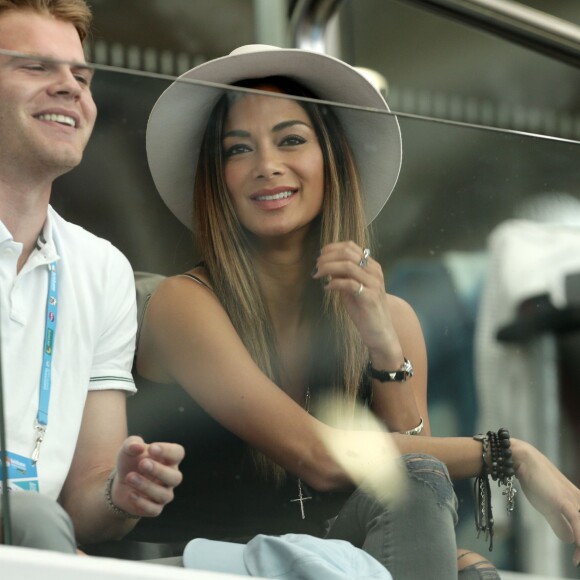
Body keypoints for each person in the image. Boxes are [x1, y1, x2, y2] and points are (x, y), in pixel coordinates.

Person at [136, 45, 580, 577]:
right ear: (218, 178)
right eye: (238, 150)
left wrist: (382, 343)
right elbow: (319, 458)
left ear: (332, 160)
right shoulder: (182, 303)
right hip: (204, 568)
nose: (266, 166)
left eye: (291, 140)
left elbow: (421, 478)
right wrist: (513, 456)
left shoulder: (392, 316)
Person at [0, 0, 184, 553]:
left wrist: (120, 495)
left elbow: (84, 502)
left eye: (80, 75)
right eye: (34, 67)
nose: (71, 88)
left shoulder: (102, 269)